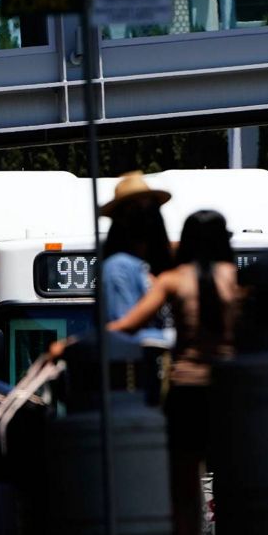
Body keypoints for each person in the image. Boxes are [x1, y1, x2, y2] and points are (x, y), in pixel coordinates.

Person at [107, 210, 240, 535]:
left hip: (185, 395)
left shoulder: (173, 280)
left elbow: (126, 325)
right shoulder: (237, 281)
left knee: (182, 499)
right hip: (228, 397)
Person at [101, 171, 175, 400]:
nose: (148, 215)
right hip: (143, 384)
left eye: (151, 207)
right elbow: (124, 331)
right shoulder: (118, 267)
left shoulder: (152, 266)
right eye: (138, 208)